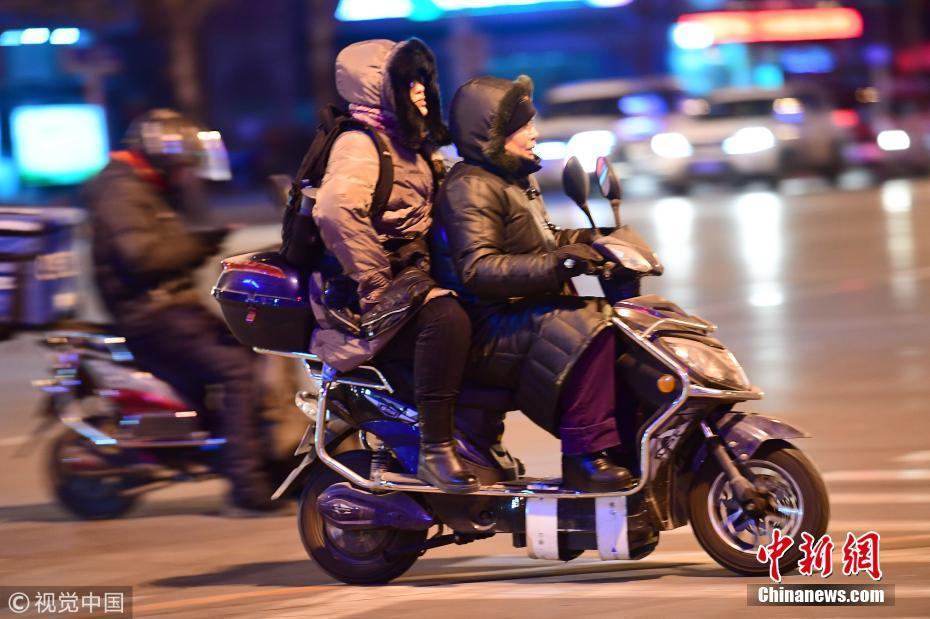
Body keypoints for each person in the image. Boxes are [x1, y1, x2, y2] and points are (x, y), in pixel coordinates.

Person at [431, 75, 632, 492]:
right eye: (522, 126)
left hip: (517, 311)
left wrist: (593, 241)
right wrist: (561, 263)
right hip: (489, 324)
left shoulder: (513, 178)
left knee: (630, 327)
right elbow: (479, 268)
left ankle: (626, 443)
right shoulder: (471, 186)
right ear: (492, 132)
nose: (534, 133)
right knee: (590, 327)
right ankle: (585, 456)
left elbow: (542, 240)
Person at [307, 38, 478, 493]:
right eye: (408, 81)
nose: (420, 89)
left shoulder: (412, 142)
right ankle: (436, 450)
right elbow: (335, 211)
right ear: (378, 88)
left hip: (412, 276)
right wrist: (376, 283)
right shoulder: (360, 144)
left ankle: (479, 440)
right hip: (357, 294)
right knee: (446, 320)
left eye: (423, 79)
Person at [86, 109, 278, 512]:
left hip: (169, 309)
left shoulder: (138, 186)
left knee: (250, 345)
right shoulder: (121, 190)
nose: (186, 175)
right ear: (159, 156)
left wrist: (206, 241)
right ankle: (247, 486)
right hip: (152, 316)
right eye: (181, 166)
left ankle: (247, 454)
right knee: (236, 368)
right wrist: (200, 244)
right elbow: (142, 257)